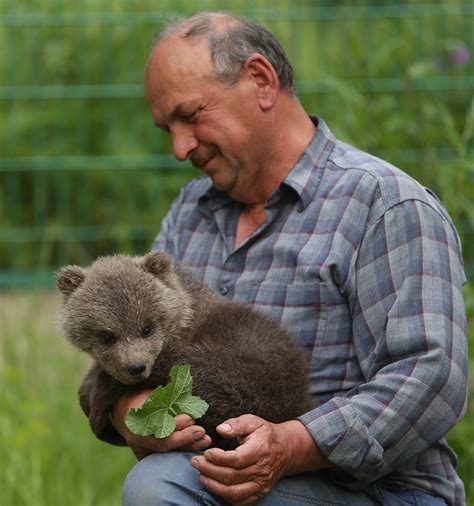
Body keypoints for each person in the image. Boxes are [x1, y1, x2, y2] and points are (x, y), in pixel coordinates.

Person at [84, 11, 468, 505]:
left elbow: (432, 378)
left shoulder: (385, 204)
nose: (180, 148)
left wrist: (292, 444)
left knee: (157, 486)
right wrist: (131, 413)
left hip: (381, 490)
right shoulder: (190, 213)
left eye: (190, 115)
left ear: (261, 81)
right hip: (230, 473)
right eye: (166, 130)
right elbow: (134, 350)